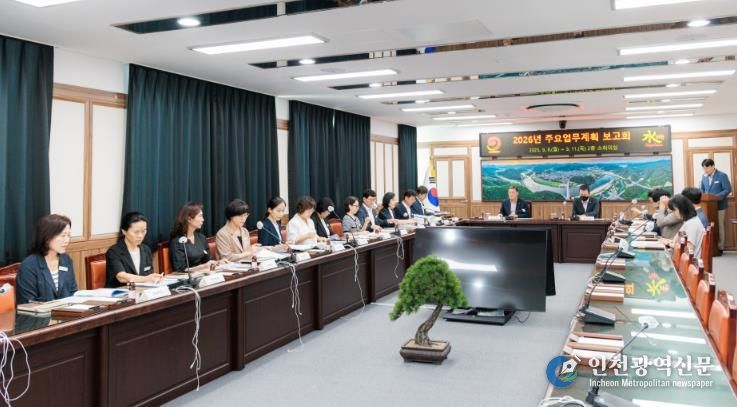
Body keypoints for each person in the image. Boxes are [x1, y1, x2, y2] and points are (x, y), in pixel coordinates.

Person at [16, 214, 78, 304]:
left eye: (68, 235)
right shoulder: (29, 265)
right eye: (63, 236)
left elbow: (73, 292)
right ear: (47, 237)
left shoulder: (66, 259)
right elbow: (28, 303)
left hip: (66, 311)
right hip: (38, 313)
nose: (67, 240)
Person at [106, 212, 160, 287]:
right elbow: (121, 277)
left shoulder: (146, 249)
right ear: (124, 231)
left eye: (143, 231)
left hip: (142, 290)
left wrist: (154, 279)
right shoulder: (114, 251)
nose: (140, 235)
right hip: (121, 291)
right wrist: (147, 279)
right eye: (136, 232)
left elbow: (149, 273)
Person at [169, 202, 224, 273]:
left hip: (204, 274)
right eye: (200, 216)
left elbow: (208, 260)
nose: (203, 219)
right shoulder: (178, 241)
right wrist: (203, 266)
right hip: (188, 277)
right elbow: (180, 269)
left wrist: (218, 262)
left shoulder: (201, 238)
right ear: (189, 219)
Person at [700, 158, 732, 251]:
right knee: (707, 225)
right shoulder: (704, 176)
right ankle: (709, 246)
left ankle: (720, 247)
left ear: (713, 166)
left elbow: (727, 189)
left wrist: (716, 197)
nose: (705, 170)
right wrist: (703, 195)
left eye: (707, 168)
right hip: (707, 206)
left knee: (719, 225)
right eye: (704, 168)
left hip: (720, 205)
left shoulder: (722, 175)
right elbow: (702, 189)